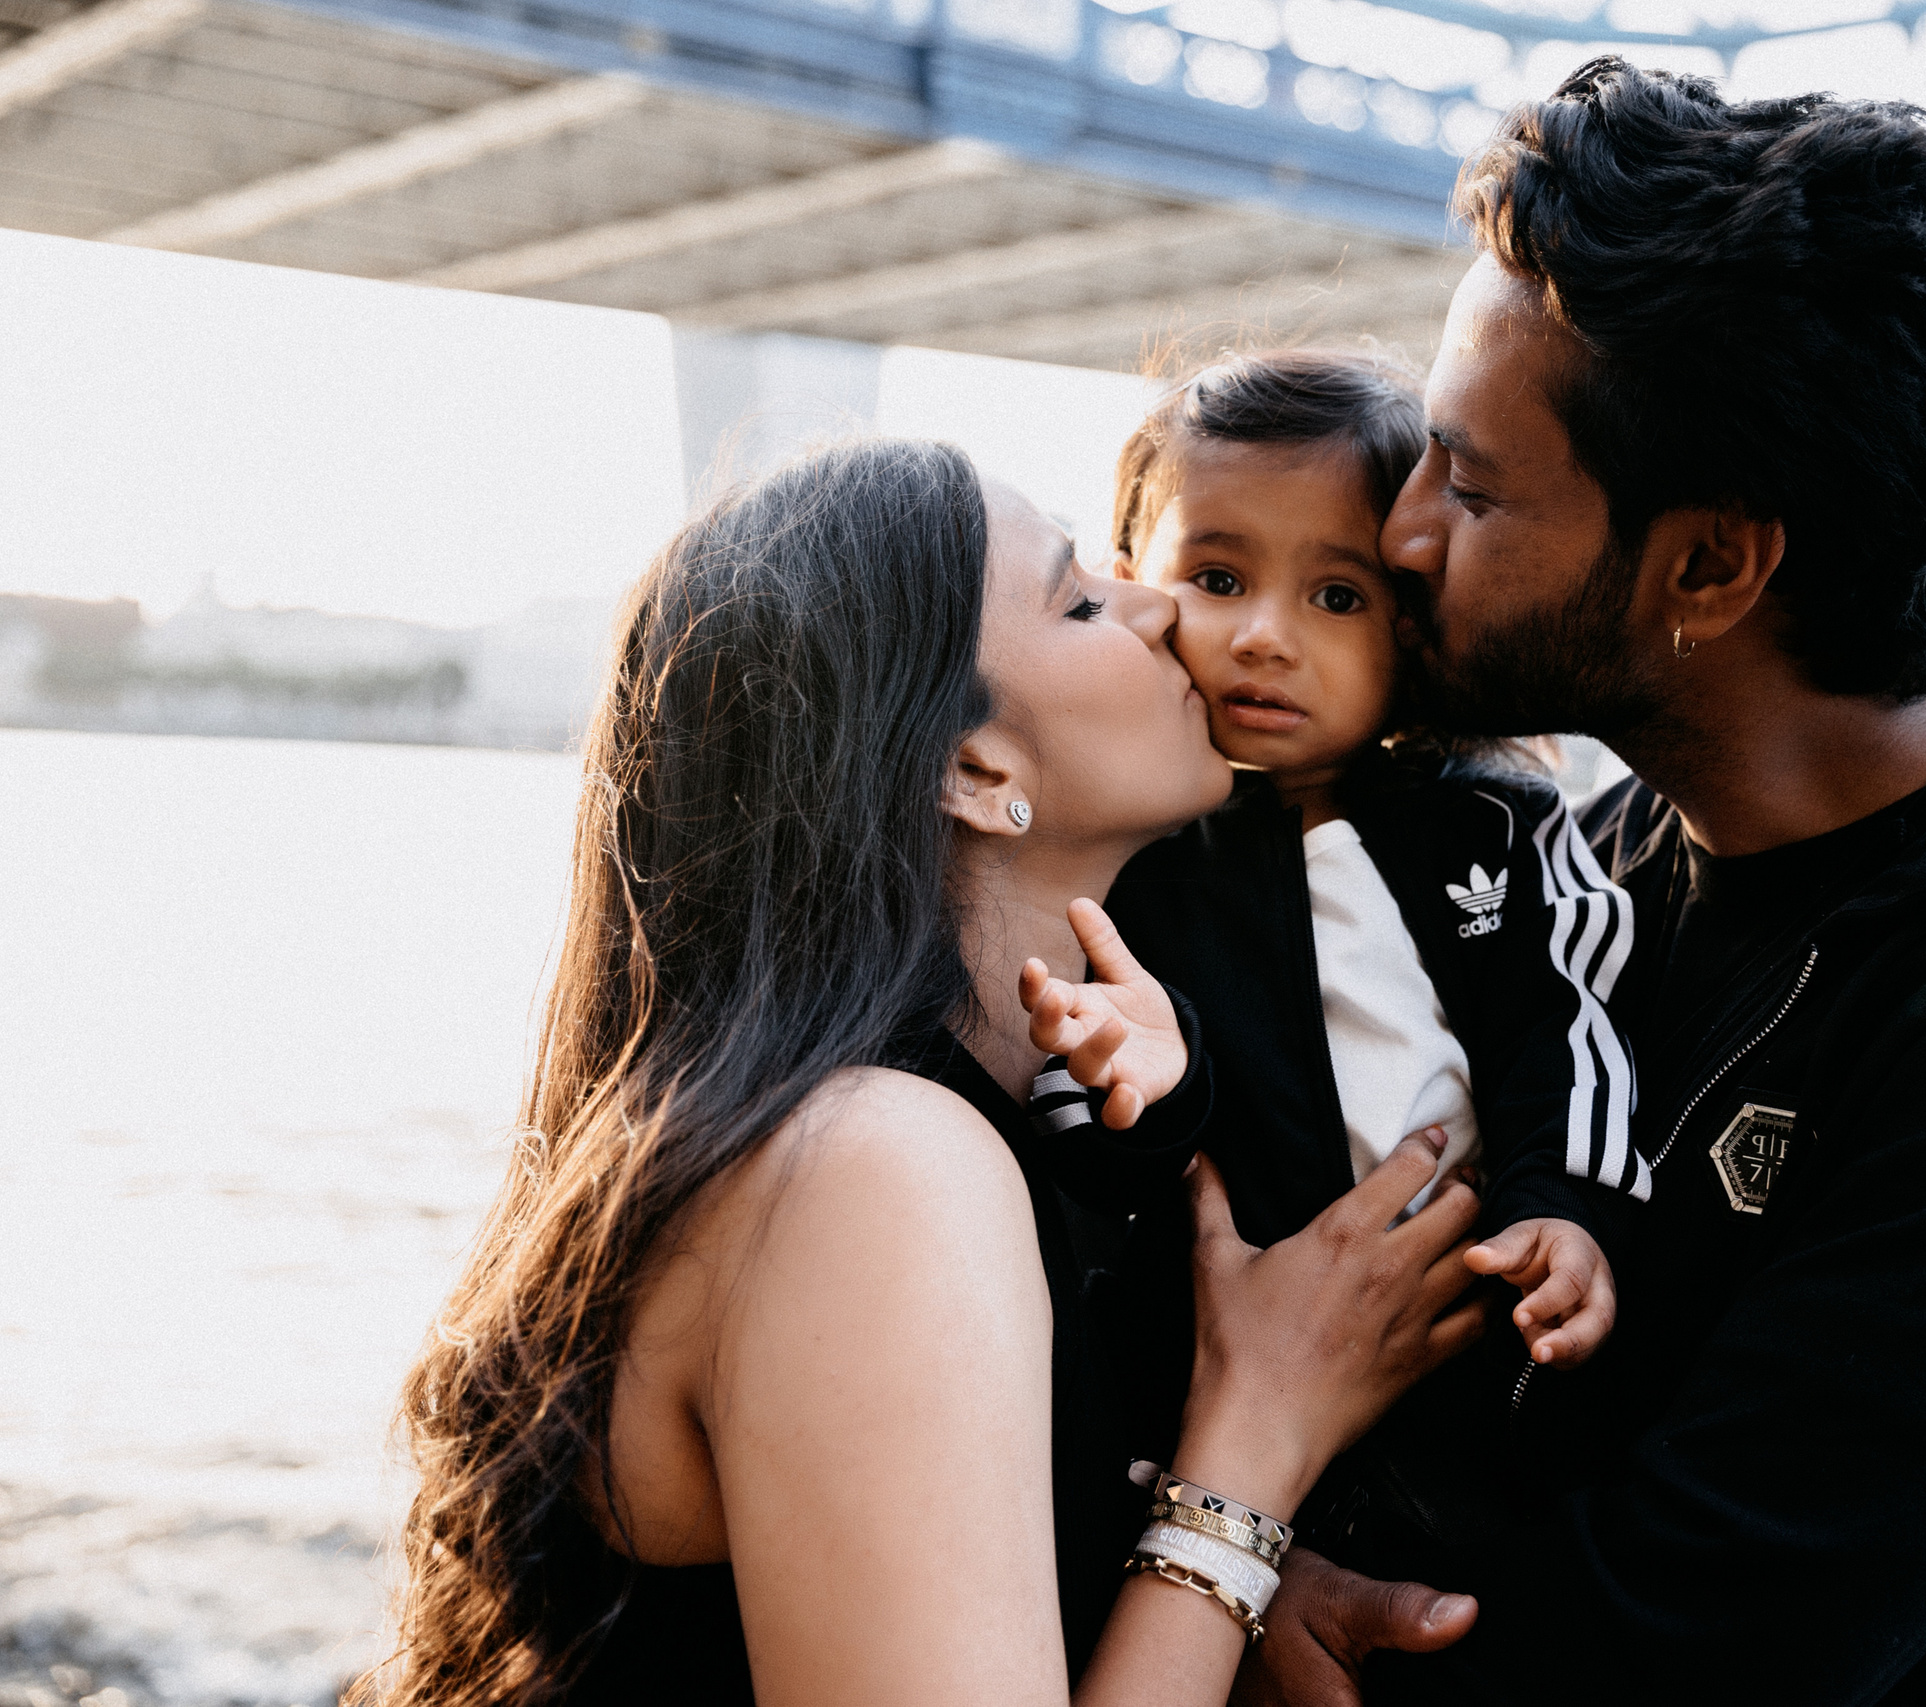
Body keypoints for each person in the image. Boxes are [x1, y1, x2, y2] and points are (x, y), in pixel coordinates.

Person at [1245, 61, 1926, 1704]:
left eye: (1467, 485)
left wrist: (1234, 1561)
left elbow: (1691, 1648)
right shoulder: (1594, 867)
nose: (1395, 533)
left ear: (1709, 566)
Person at [366, 438, 1489, 1707]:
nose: (1158, 601)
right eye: (1079, 600)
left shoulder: (948, 1120)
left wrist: (1250, 1594)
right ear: (973, 768)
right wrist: (1258, 1437)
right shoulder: (875, 1166)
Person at [1097, 351, 1648, 1615]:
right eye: (1216, 578)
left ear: (1413, 623)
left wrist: (1570, 1208)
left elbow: (1568, 1034)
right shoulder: (1132, 851)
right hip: (1211, 1398)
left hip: (1470, 1375)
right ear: (1135, 585)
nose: (1261, 636)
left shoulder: (1496, 833)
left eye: (1335, 597)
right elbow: (1110, 1161)